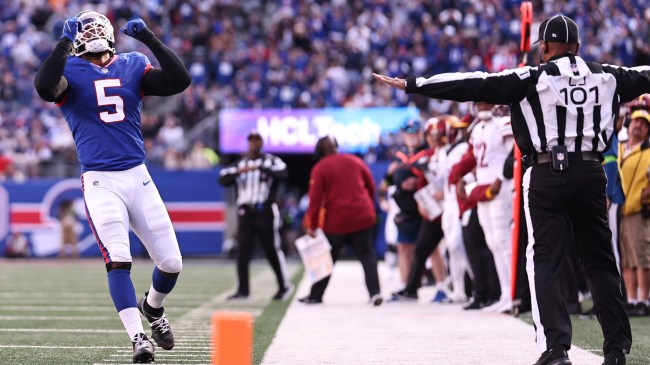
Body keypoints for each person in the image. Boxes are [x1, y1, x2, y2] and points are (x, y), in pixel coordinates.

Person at [374, 14, 642, 365]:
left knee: (545, 259)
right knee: (600, 262)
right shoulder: (609, 75)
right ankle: (617, 349)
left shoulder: (532, 76)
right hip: (592, 172)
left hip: (547, 173)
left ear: (544, 47)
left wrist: (415, 84)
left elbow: (474, 83)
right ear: (577, 47)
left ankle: (556, 349)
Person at [34, 11, 191, 363]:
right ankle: (138, 338)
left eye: (93, 27)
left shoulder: (132, 64)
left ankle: (153, 309)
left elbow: (179, 81)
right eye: (83, 29)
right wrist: (62, 44)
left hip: (138, 175)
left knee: (171, 262)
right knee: (118, 260)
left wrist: (149, 38)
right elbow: (45, 87)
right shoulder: (70, 69)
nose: (90, 33)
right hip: (101, 180)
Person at [300, 136, 382, 306]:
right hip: (362, 216)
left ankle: (315, 295)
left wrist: (312, 225)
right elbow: (371, 186)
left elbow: (315, 201)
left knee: (326, 259)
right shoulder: (355, 161)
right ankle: (375, 293)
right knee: (367, 255)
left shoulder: (320, 168)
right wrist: (367, 207)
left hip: (337, 221)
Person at [218, 130, 292, 302]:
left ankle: (284, 286)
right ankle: (243, 290)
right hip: (245, 212)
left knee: (272, 250)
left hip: (265, 210)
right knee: (242, 251)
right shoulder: (240, 163)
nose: (254, 143)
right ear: (248, 143)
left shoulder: (271, 160)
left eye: (257, 140)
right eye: (251, 140)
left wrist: (260, 167)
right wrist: (240, 172)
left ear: (261, 142)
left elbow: (283, 173)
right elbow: (222, 178)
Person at [617, 96, 650, 317]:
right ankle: (630, 298)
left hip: (639, 210)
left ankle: (643, 300)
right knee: (626, 258)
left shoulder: (647, 152)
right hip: (620, 211)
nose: (638, 126)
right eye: (636, 121)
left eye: (644, 123)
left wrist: (642, 196)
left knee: (642, 257)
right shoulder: (618, 148)